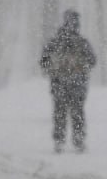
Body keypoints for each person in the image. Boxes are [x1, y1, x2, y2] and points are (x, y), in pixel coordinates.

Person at [39, 10, 96, 153]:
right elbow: (92, 61)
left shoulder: (55, 41)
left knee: (60, 112)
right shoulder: (82, 43)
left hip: (59, 83)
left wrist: (54, 70)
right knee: (77, 113)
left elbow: (43, 61)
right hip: (77, 84)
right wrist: (80, 70)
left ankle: (60, 141)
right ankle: (78, 141)